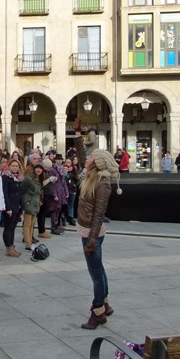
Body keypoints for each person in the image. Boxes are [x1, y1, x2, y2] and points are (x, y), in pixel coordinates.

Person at [74, 117, 122, 330]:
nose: (87, 158)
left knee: (95, 274)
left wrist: (92, 240)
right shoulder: (90, 175)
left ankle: (98, 311)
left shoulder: (102, 183)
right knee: (99, 269)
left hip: (92, 233)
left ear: (97, 163)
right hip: (88, 231)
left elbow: (99, 214)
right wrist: (78, 135)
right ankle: (105, 303)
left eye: (91, 157)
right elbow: (81, 155)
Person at [1, 158, 24, 257]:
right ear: (9, 167)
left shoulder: (19, 178)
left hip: (18, 206)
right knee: (8, 227)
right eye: (13, 166)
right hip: (10, 205)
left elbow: (21, 193)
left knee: (13, 227)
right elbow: (5, 193)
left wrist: (22, 207)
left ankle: (12, 246)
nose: (15, 168)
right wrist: (8, 207)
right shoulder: (6, 177)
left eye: (16, 166)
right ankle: (8, 248)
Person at [22, 162, 45, 251]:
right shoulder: (28, 178)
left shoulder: (40, 179)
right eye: (37, 168)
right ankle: (28, 244)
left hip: (36, 203)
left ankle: (30, 241)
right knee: (27, 224)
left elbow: (40, 191)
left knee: (32, 224)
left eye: (40, 168)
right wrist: (23, 203)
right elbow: (23, 190)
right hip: (28, 202)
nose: (38, 170)